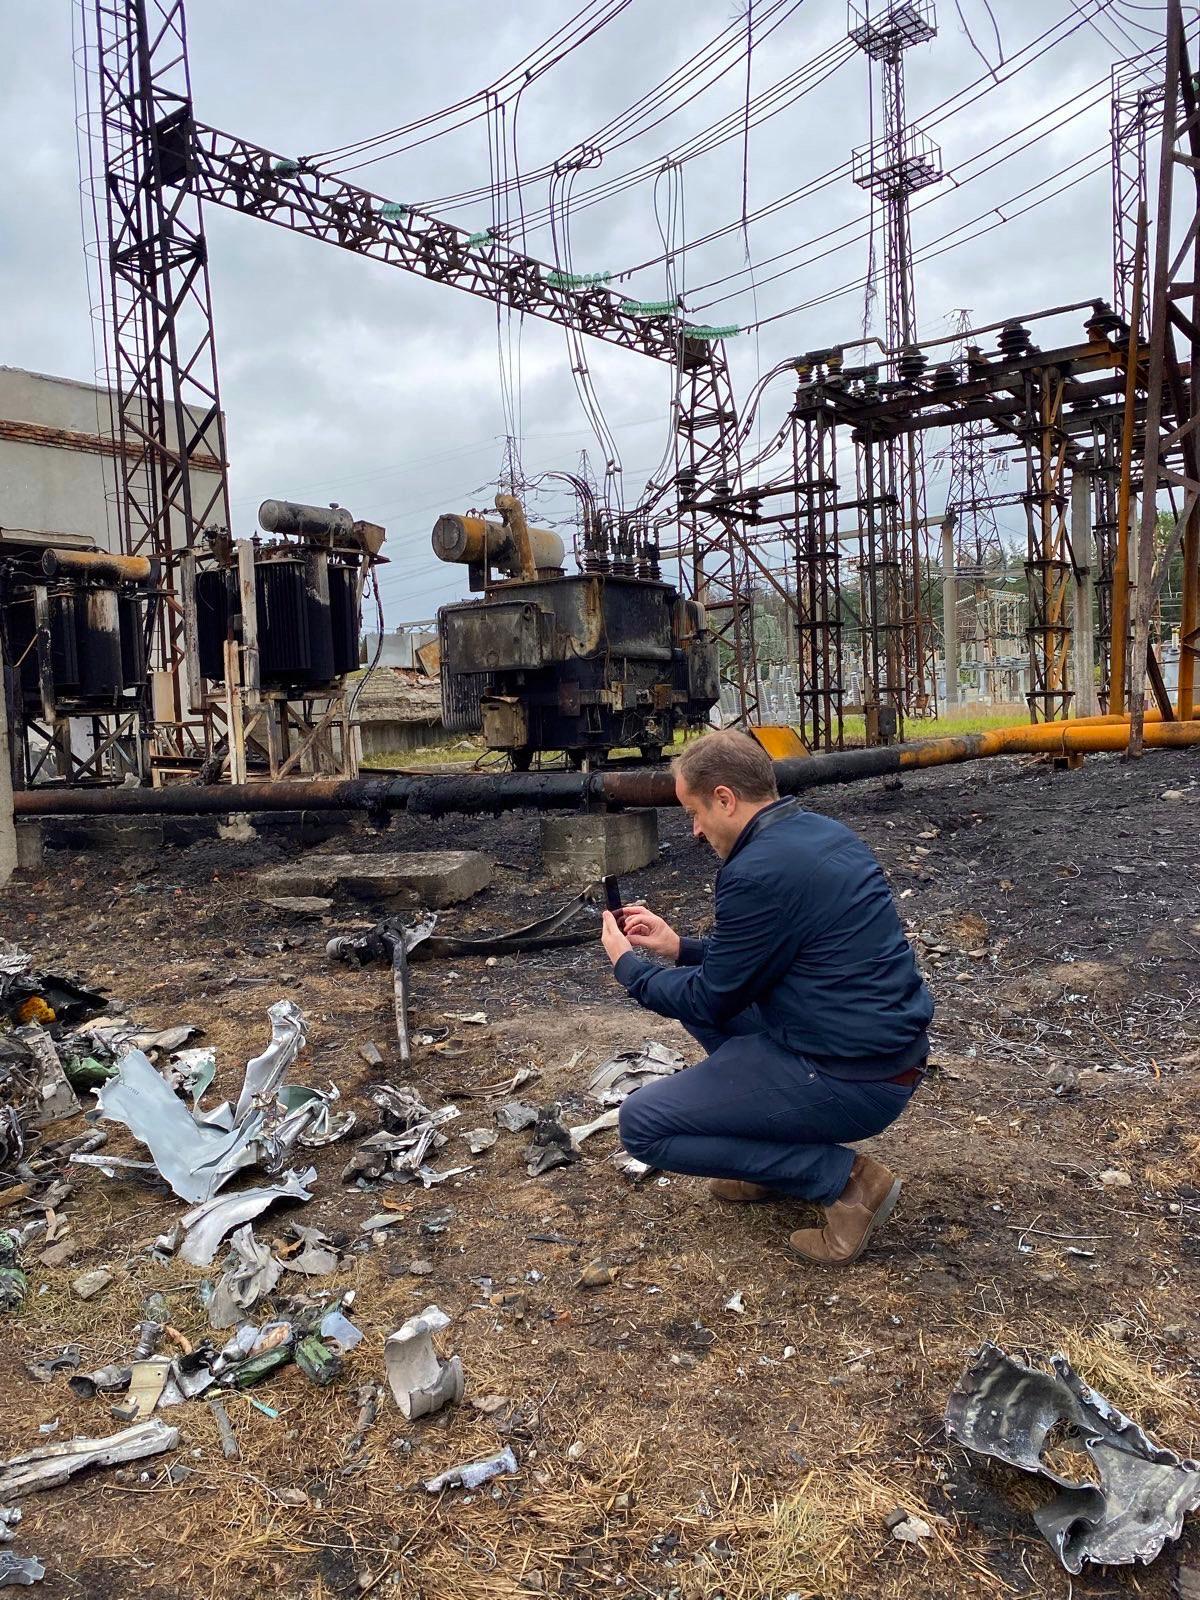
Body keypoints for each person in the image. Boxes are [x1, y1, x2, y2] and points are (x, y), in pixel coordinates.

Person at [598, 728, 933, 1265]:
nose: (695, 829)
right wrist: (678, 947)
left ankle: (845, 1183)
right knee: (711, 1017)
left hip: (852, 1078)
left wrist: (629, 968)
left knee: (643, 1125)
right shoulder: (819, 834)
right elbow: (758, 959)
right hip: (880, 1053)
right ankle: (763, 1163)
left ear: (725, 799)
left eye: (696, 812)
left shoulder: (755, 870)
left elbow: (713, 998)